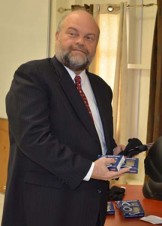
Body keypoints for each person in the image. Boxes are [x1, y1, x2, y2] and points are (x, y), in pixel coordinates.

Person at [2, 9, 129, 226]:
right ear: (57, 36)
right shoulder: (32, 76)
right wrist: (89, 169)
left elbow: (90, 138)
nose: (81, 42)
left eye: (89, 38)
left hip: (91, 209)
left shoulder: (102, 88)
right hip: (44, 210)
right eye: (73, 33)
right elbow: (34, 139)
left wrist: (113, 150)